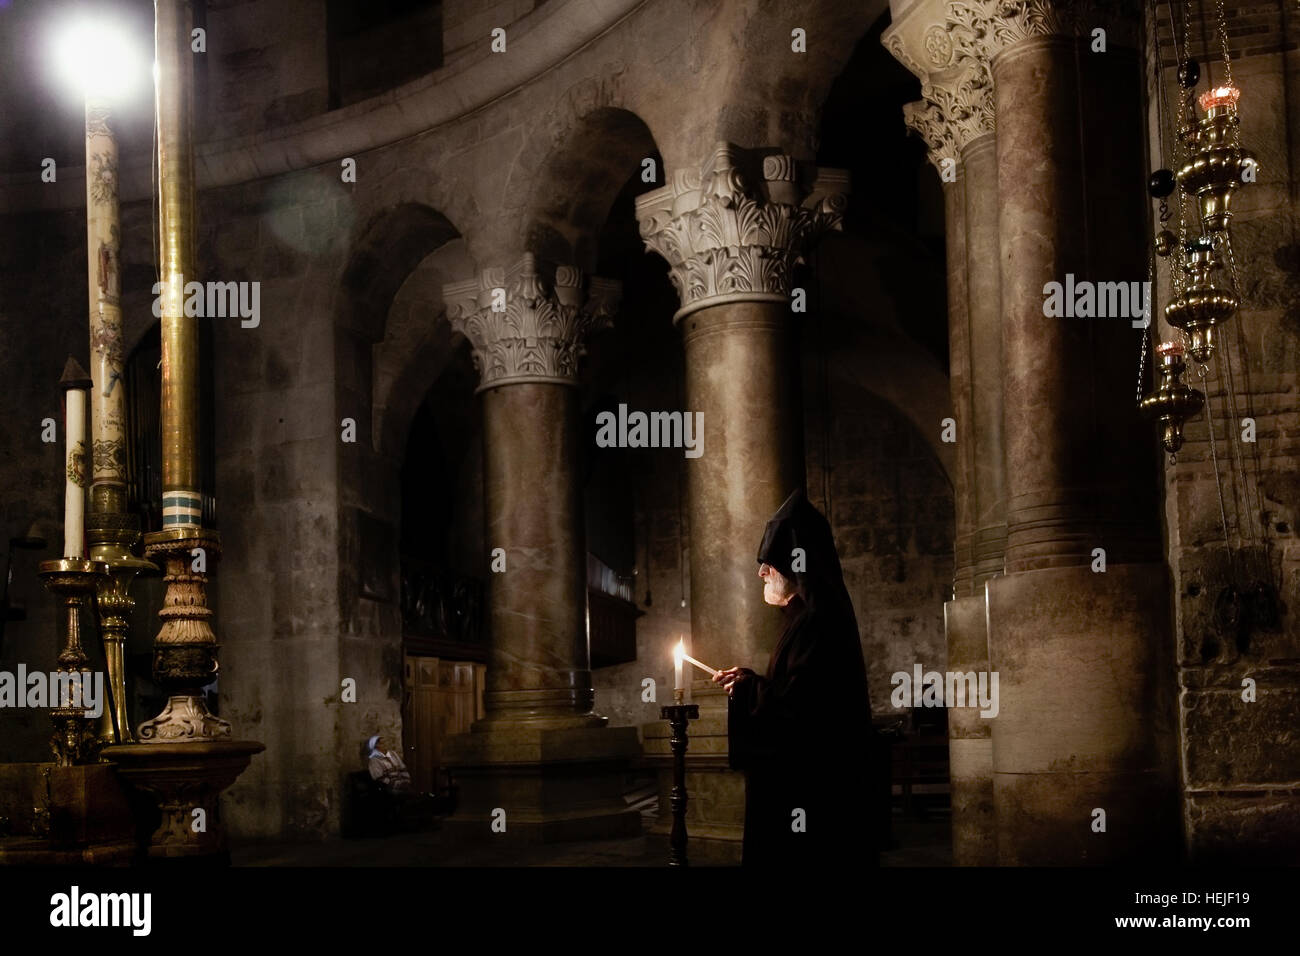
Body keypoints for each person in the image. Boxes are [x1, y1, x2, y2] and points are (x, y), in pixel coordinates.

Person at [713, 488, 876, 867]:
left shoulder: (818, 622)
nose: (761, 572)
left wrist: (750, 689)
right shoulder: (805, 617)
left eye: (769, 562)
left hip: (814, 787)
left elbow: (804, 712)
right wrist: (750, 679)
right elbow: (791, 691)